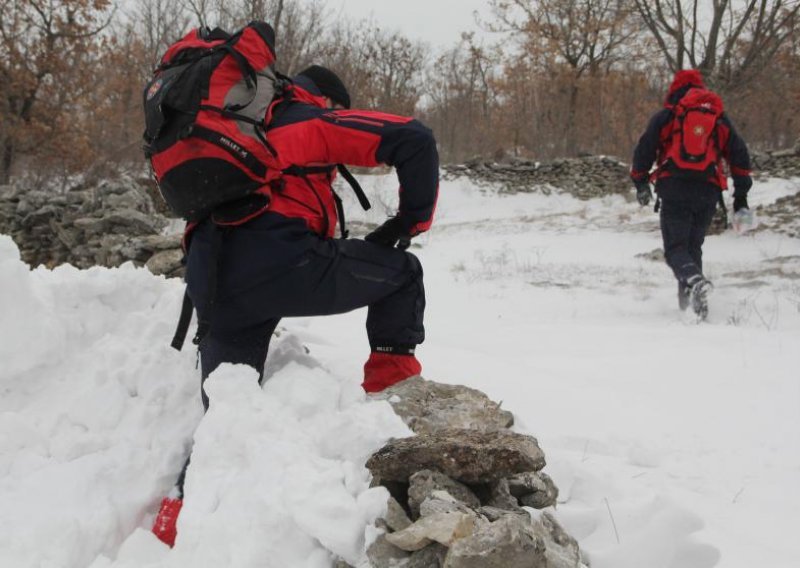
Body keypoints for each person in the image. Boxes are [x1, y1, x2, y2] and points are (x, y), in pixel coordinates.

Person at [151, 65, 439, 546]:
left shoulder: (227, 131)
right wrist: (407, 224)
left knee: (227, 405)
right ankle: (391, 404)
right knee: (403, 275)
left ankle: (175, 517)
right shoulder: (304, 119)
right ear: (325, 101)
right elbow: (414, 139)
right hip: (285, 267)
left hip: (214, 283)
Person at [630, 69, 752, 319]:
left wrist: (640, 182)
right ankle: (693, 309)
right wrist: (741, 197)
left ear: (674, 90)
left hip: (674, 187)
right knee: (692, 247)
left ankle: (695, 283)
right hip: (707, 190)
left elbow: (645, 149)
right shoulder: (718, 118)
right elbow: (739, 154)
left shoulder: (668, 115)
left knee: (676, 249)